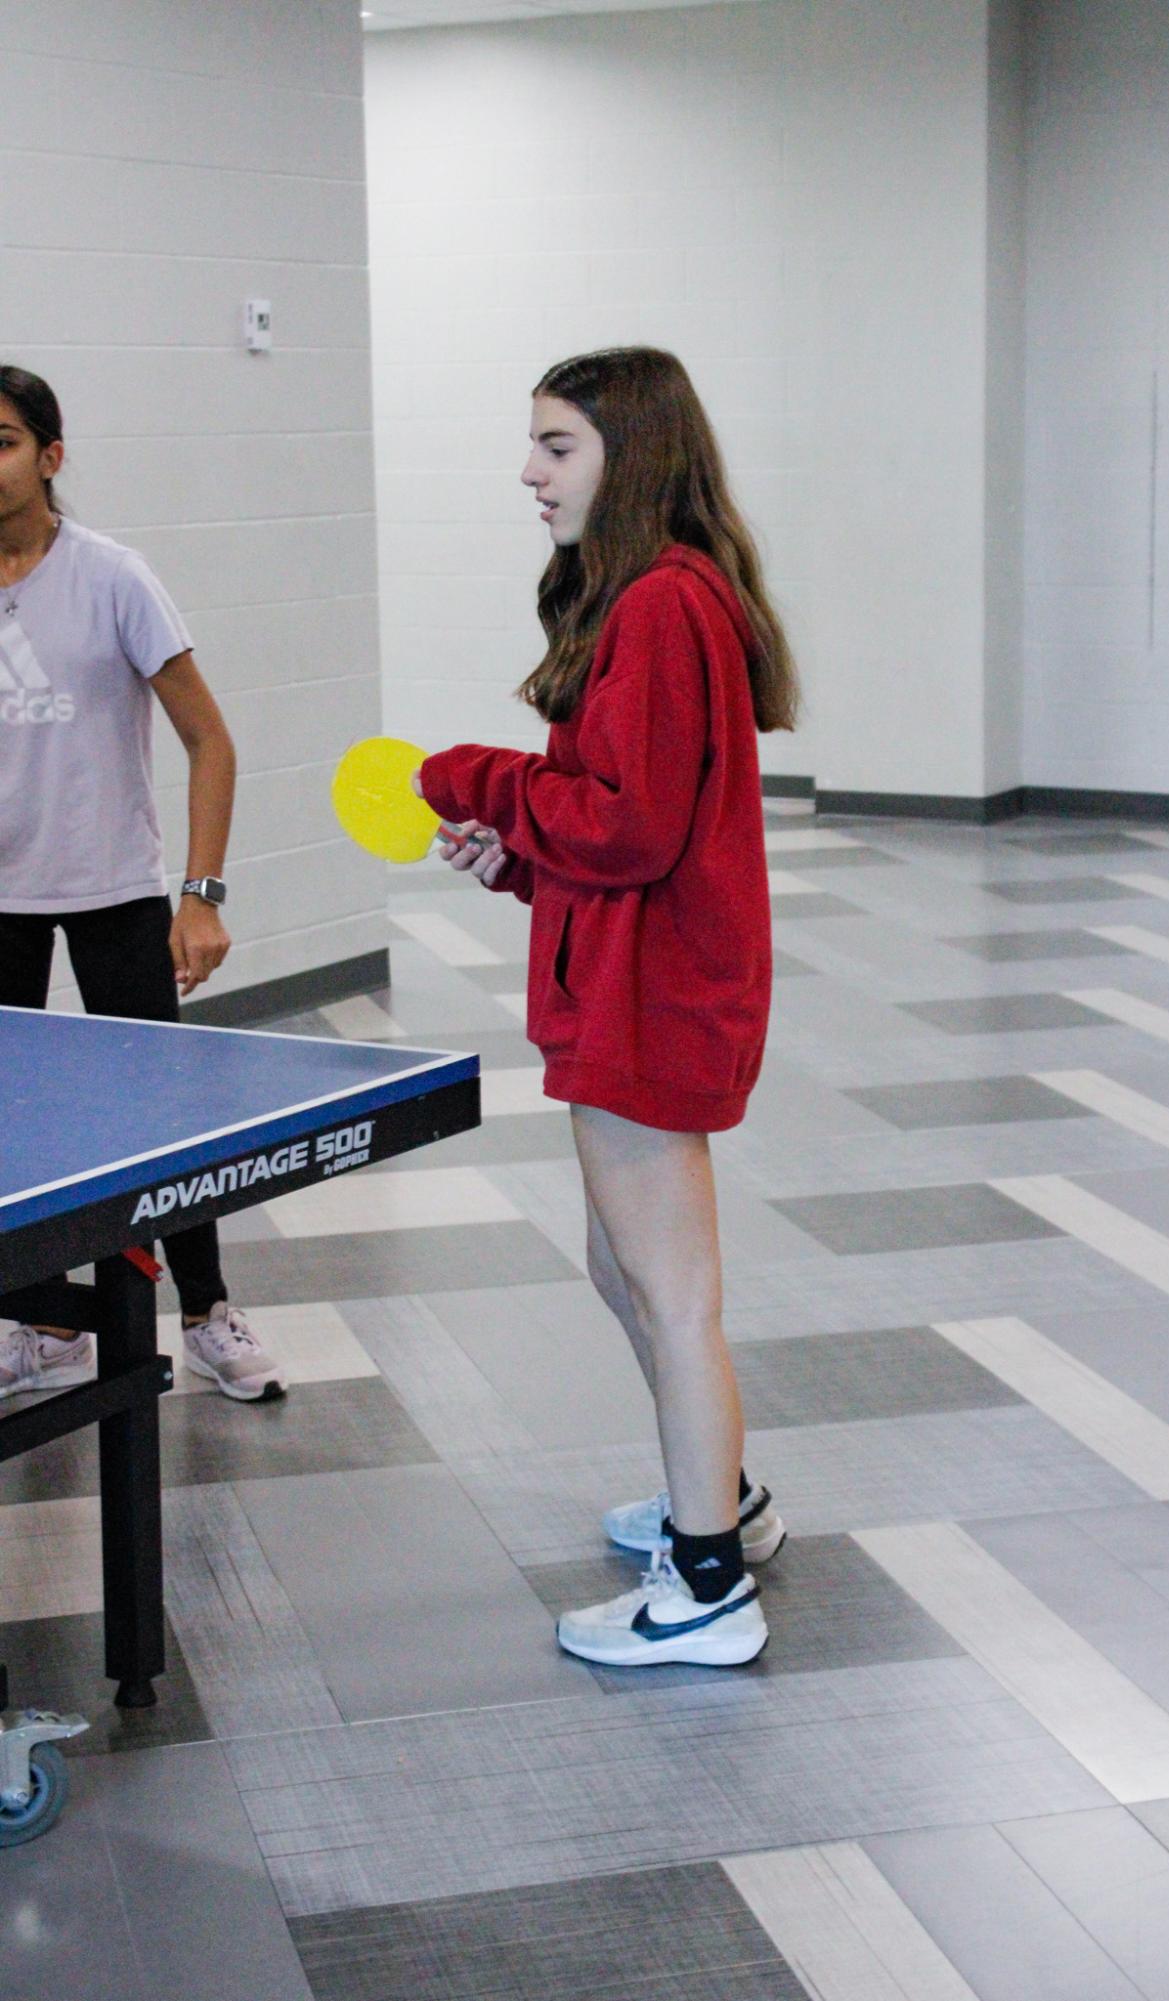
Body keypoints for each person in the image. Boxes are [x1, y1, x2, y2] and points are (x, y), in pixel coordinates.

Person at [416, 347, 798, 1667]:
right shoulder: (652, 598)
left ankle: (703, 1586)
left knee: (671, 1290)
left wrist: (471, 778)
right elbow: (628, 826)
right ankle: (722, 1497)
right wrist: (516, 849)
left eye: (556, 446)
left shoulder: (660, 607)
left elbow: (632, 829)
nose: (530, 471)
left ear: (628, 454)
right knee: (619, 1262)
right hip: (634, 984)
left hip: (655, 1003)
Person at [0, 364, 285, 1403]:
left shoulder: (113, 576)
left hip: (112, 885)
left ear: (51, 455)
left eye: (2, 441)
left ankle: (207, 1309)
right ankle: (43, 1324)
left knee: (161, 1117)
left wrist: (201, 892)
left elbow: (209, 738)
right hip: (0, 901)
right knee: (8, 1123)